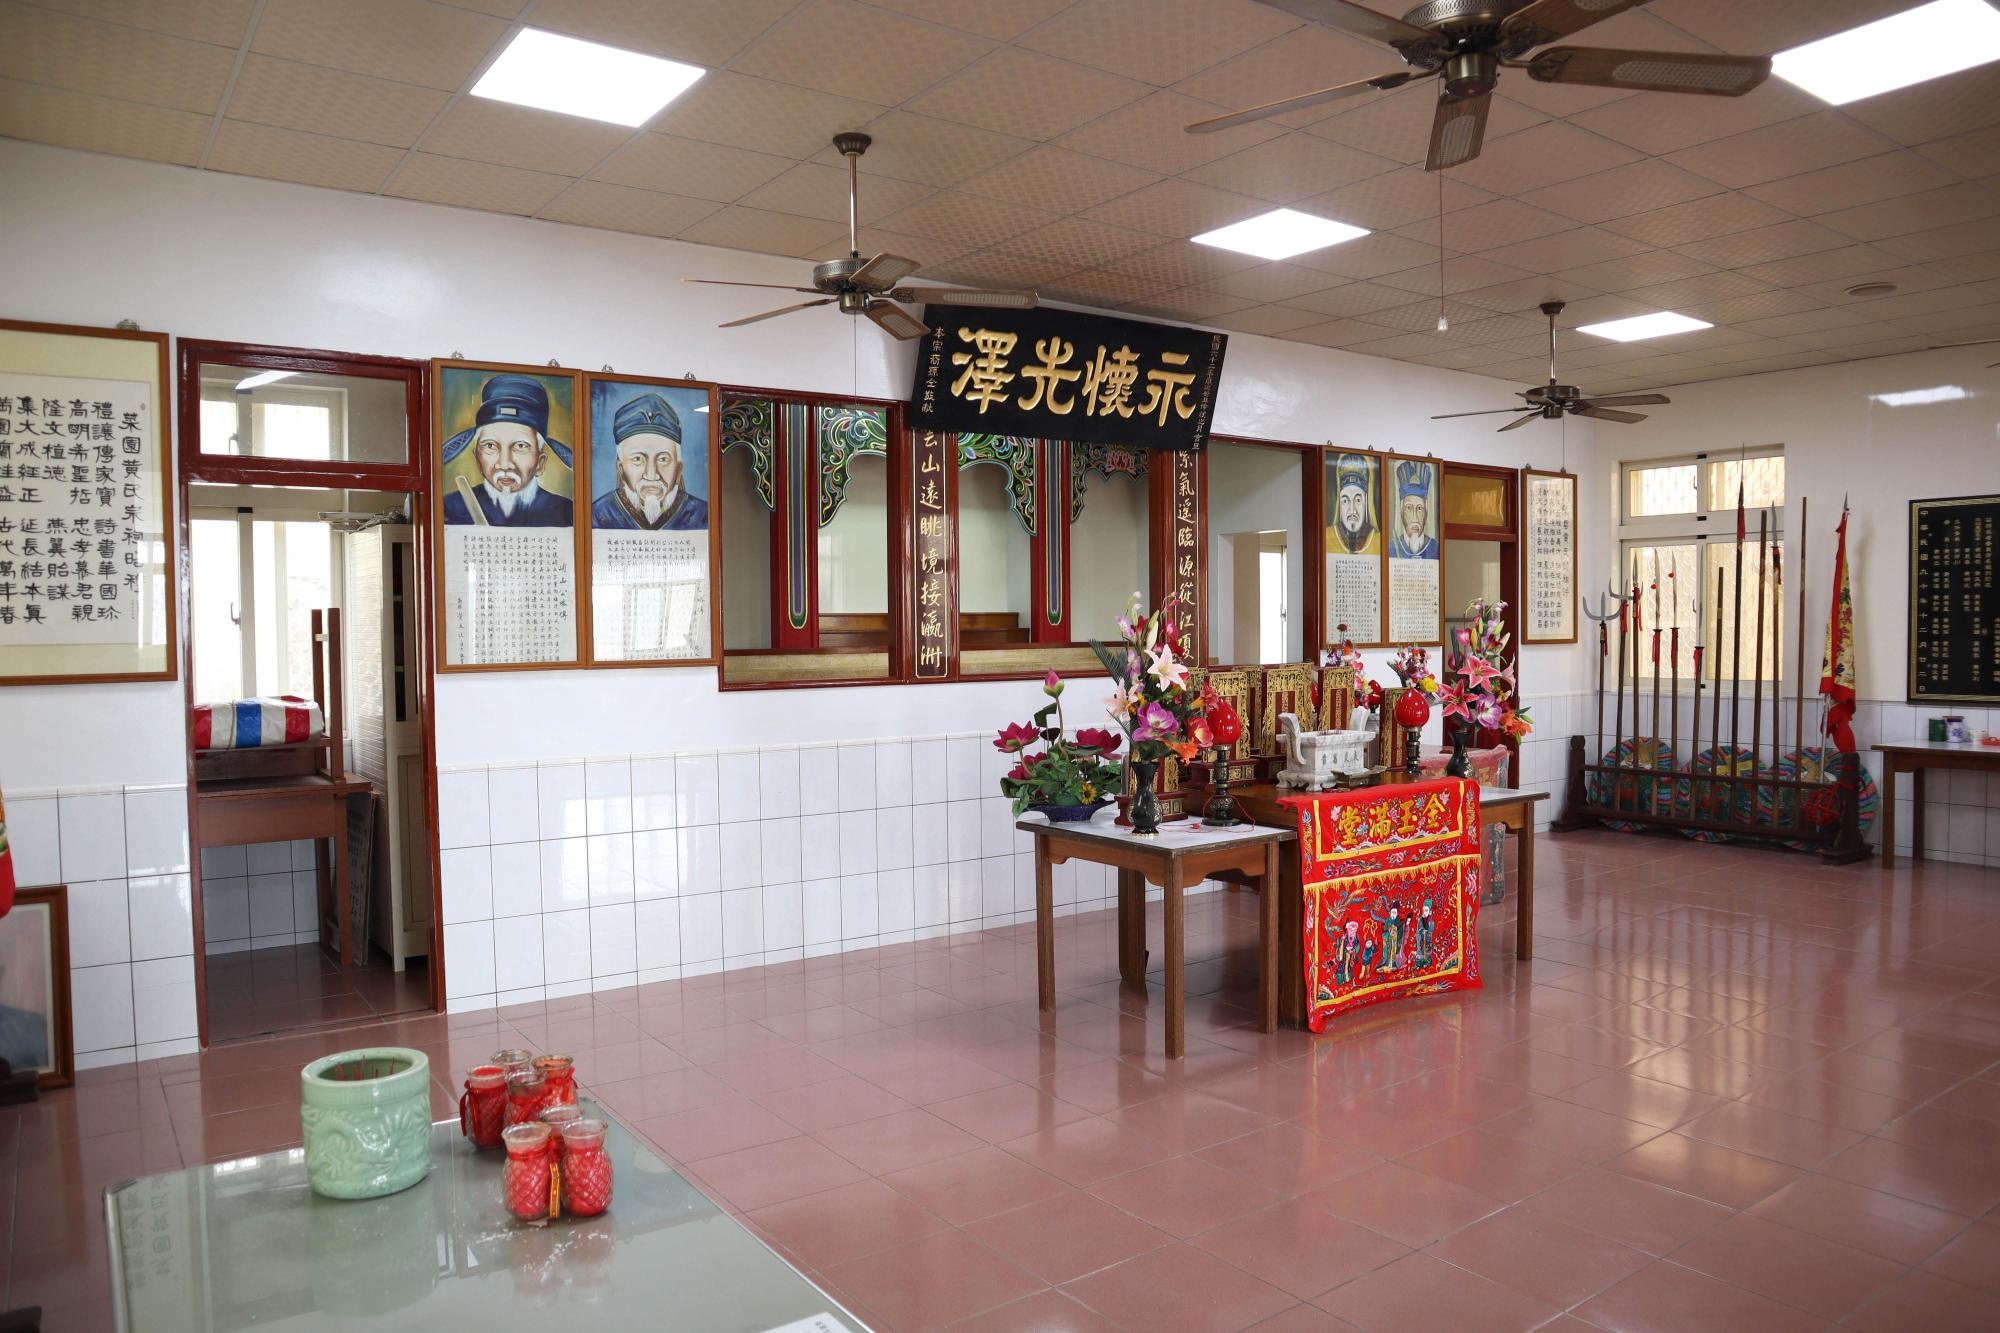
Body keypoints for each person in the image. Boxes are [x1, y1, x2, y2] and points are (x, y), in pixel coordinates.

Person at [442, 374, 572, 527]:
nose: (504, 465)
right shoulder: (450, 508)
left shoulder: (567, 513)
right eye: (490, 446)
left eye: (521, 446)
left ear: (540, 463)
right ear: (477, 456)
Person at [591, 392, 708, 531]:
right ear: (621, 469)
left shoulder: (703, 515)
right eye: (637, 459)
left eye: (663, 459)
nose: (652, 475)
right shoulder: (598, 515)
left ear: (678, 470)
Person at [1390, 460, 1438, 559]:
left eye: (1419, 508)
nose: (1415, 518)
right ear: (1401, 512)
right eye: (1409, 508)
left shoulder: (1435, 548)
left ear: (1426, 513)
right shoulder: (1392, 548)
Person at [1331, 456, 1376, 554]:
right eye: (1345, 501)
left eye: (1358, 500)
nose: (1352, 510)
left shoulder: (1378, 541)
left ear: (1367, 500)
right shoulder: (1327, 537)